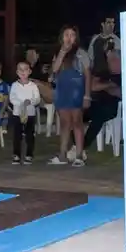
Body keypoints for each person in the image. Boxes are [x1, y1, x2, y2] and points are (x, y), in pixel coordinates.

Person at [49, 26, 91, 166]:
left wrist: (87, 95)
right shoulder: (59, 53)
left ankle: (79, 155)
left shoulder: (81, 53)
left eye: (72, 35)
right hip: (63, 90)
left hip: (77, 90)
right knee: (65, 123)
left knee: (77, 122)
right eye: (66, 34)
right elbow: (55, 69)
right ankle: (62, 155)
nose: (69, 38)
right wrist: (62, 52)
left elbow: (87, 74)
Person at [9, 59, 41, 164]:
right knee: (17, 135)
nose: (23, 72)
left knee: (29, 135)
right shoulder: (14, 85)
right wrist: (21, 103)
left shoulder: (33, 86)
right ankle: (16, 154)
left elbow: (37, 99)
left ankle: (29, 154)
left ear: (29, 71)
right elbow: (12, 98)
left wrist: (30, 101)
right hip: (17, 113)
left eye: (25, 69)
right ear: (17, 72)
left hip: (30, 114)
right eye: (20, 70)